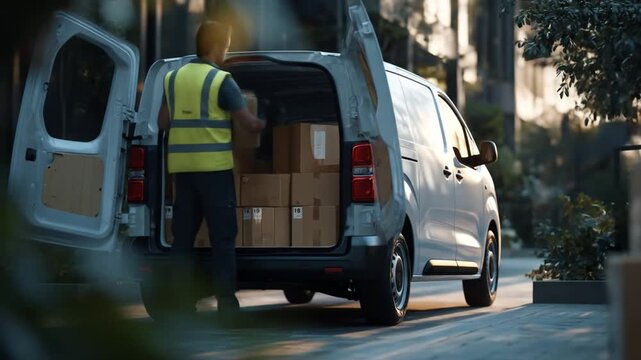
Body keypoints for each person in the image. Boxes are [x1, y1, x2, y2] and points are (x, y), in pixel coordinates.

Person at [159, 21, 264, 324]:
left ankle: (180, 305)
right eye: (227, 45)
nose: (227, 51)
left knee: (182, 241)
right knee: (223, 239)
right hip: (214, 172)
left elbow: (163, 122)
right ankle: (226, 307)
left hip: (182, 172)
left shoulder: (172, 78)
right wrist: (264, 124)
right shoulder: (222, 81)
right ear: (218, 46)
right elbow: (247, 124)